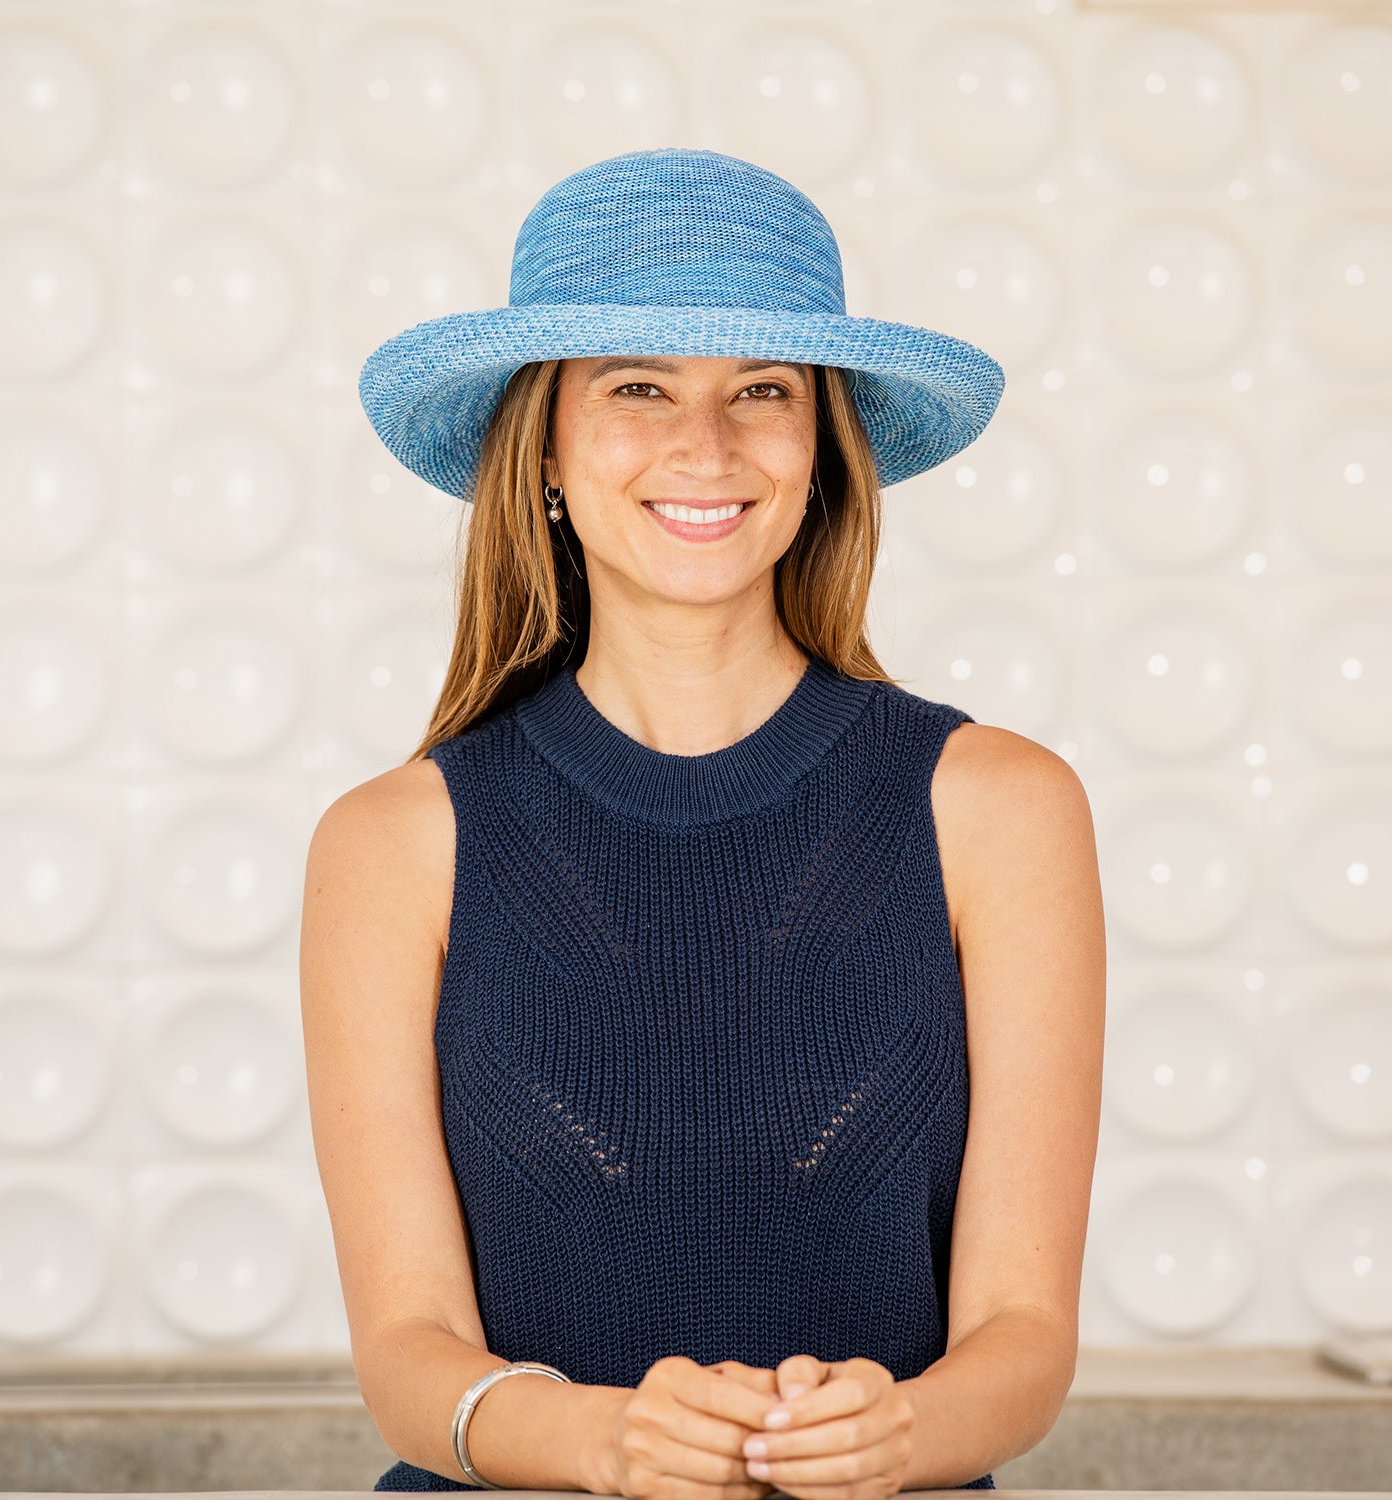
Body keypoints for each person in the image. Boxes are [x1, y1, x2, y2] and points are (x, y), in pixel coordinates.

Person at [300, 147, 1105, 1500]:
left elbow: (1021, 1344)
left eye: (763, 392)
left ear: (823, 452)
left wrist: (900, 1431)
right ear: (543, 449)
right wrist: (604, 1442)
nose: (705, 446)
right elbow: (405, 1354)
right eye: (636, 389)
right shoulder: (394, 843)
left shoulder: (1003, 812)